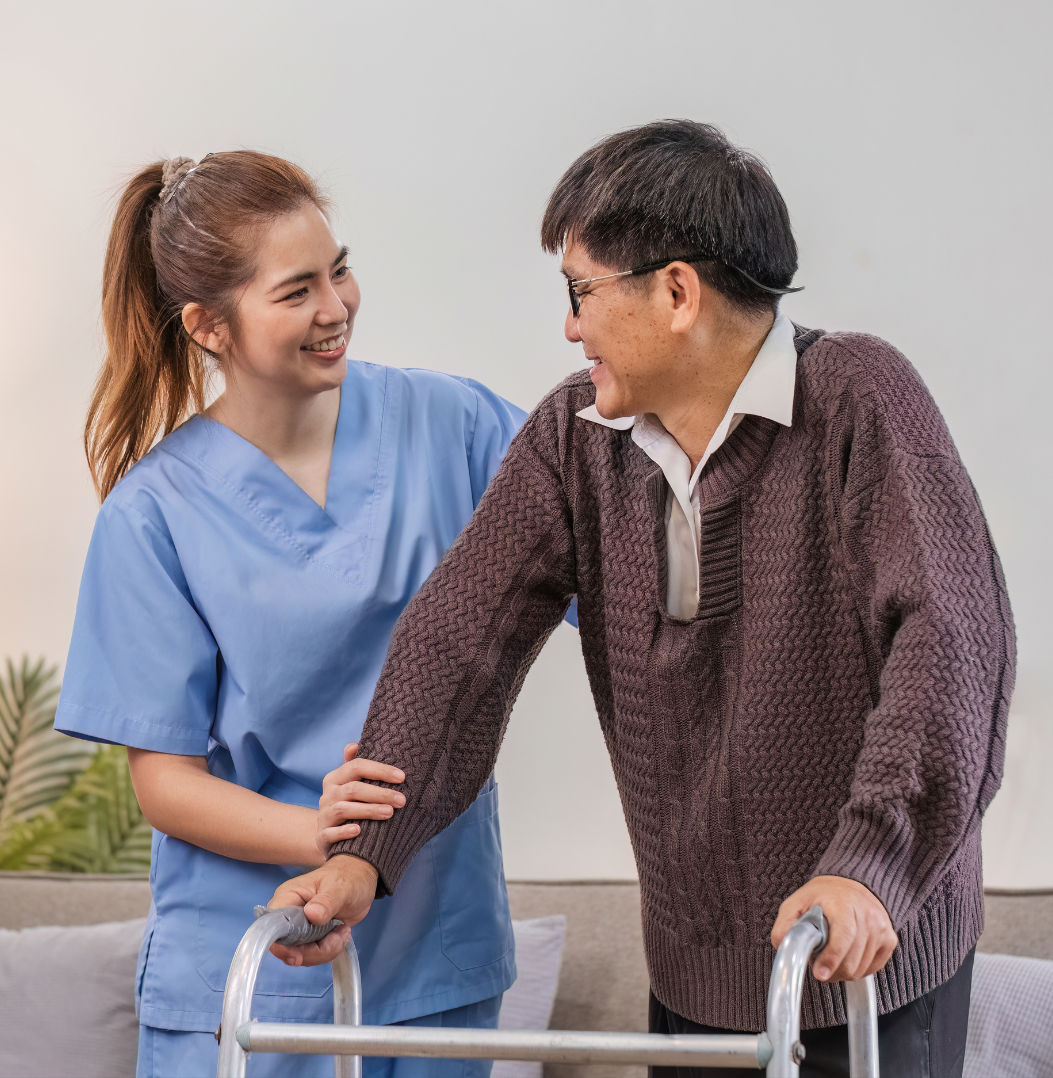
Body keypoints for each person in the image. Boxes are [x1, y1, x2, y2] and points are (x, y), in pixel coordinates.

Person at [269, 123, 1013, 1078]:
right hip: (694, 972)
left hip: (866, 961)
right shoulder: (576, 439)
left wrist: (869, 864)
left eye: (581, 292)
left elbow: (953, 642)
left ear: (675, 293)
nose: (569, 328)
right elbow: (463, 637)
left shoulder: (859, 398)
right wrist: (363, 851)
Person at [55, 151, 526, 1078]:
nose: (336, 307)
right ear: (208, 325)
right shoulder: (155, 517)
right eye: (296, 290)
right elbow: (166, 782)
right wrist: (324, 832)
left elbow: (620, 553)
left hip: (437, 952)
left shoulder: (455, 426)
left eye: (339, 269)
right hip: (254, 968)